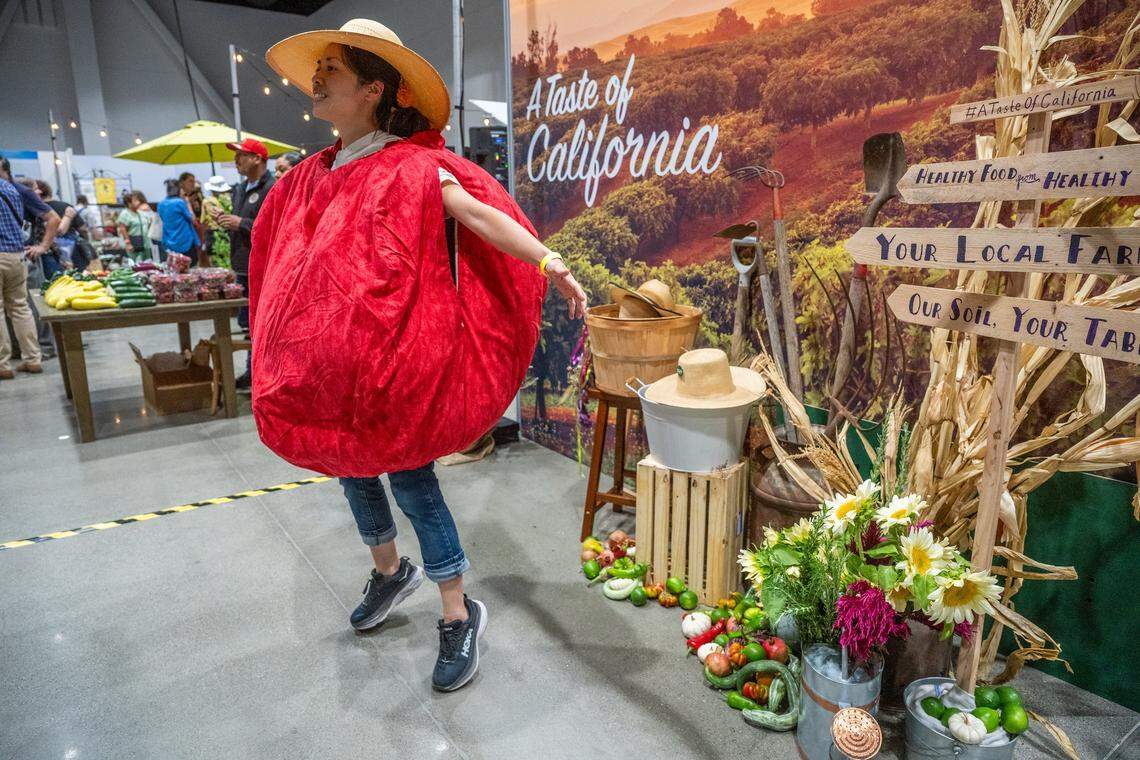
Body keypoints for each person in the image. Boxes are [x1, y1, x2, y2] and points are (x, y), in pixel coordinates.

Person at [254, 19, 587, 692]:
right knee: (349, 469)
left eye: (332, 71)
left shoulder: (410, 168)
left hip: (393, 364)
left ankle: (457, 612)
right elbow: (279, 258)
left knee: (412, 483)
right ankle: (389, 572)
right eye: (318, 70)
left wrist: (549, 260)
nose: (316, 79)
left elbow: (480, 216)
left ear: (373, 90)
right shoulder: (309, 176)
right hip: (330, 374)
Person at [217, 137, 274, 390]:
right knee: (246, 323)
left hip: (262, 267)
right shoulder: (240, 189)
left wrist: (241, 223)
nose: (236, 160)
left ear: (257, 158)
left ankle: (260, 374)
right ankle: (253, 373)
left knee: (260, 324)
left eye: (241, 155)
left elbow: (274, 227)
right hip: (241, 265)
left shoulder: (271, 187)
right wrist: (227, 220)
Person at [0, 157, 56, 377]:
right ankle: (32, 358)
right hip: (17, 255)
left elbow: (52, 218)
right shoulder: (12, 190)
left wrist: (42, 246)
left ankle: (2, 364)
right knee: (20, 308)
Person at [157, 178, 199, 263]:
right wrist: (187, 202)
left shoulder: (161, 204)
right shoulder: (179, 202)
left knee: (175, 266)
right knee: (190, 265)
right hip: (185, 240)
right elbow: (192, 219)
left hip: (169, 241)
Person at [116, 191, 153, 260]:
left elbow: (149, 222)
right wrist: (128, 243)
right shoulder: (125, 213)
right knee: (136, 263)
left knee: (148, 262)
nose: (138, 202)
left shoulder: (141, 213)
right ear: (129, 203)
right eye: (135, 201)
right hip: (134, 244)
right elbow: (123, 228)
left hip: (146, 243)